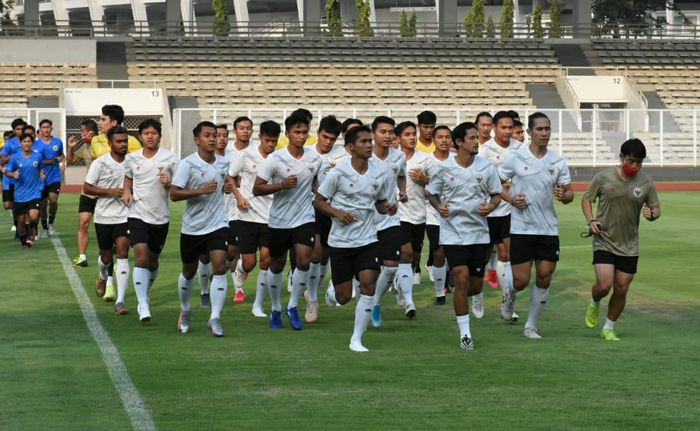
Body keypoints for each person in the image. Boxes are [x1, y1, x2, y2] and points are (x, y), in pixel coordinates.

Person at [314, 125, 393, 352]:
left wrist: (387, 206)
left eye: (370, 141)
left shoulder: (379, 173)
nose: (369, 145)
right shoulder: (338, 173)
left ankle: (356, 339)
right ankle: (333, 293)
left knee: (368, 286)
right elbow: (319, 201)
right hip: (340, 242)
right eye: (364, 142)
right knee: (344, 296)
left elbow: (379, 203)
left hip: (368, 239)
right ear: (350, 147)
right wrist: (338, 214)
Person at [427, 122, 502, 350]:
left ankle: (476, 294)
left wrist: (490, 207)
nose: (476, 141)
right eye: (471, 138)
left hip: (479, 234)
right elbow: (431, 194)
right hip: (453, 234)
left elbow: (497, 195)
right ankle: (465, 334)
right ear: (459, 142)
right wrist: (438, 206)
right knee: (460, 280)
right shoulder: (443, 168)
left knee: (474, 287)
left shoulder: (486, 167)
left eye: (476, 137)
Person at [499, 112, 574, 339]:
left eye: (547, 129)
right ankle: (509, 295)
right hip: (522, 227)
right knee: (521, 281)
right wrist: (511, 199)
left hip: (548, 228)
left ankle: (531, 326)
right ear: (530, 132)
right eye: (539, 129)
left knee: (544, 276)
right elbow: (496, 184)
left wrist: (564, 195)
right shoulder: (515, 157)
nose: (544, 133)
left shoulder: (557, 161)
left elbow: (569, 192)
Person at [582, 138, 660, 341]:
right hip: (604, 239)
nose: (635, 166)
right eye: (631, 161)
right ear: (621, 157)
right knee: (604, 285)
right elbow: (586, 199)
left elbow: (656, 208)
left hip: (629, 245)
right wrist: (591, 220)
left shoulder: (646, 182)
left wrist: (652, 214)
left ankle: (609, 327)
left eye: (639, 162)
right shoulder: (603, 177)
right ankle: (594, 301)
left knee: (622, 288)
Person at [253, 112, 321, 330]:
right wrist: (281, 185)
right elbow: (257, 188)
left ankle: (292, 306)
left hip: (305, 218)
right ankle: (274, 308)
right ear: (288, 133)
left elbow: (317, 186)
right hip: (279, 221)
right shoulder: (275, 159)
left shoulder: (315, 158)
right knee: (276, 264)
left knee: (303, 261)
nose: (301, 136)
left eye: (304, 132)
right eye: (297, 132)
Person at [170, 121, 232, 337]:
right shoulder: (187, 164)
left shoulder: (224, 163)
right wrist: (200, 191)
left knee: (220, 266)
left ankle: (214, 317)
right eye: (208, 135)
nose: (213, 138)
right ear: (197, 139)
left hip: (218, 224)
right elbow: (174, 194)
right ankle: (185, 309)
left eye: (215, 135)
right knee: (188, 271)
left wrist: (227, 187)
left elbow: (225, 184)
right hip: (193, 227)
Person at [121, 119, 179, 322]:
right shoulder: (131, 158)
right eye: (146, 133)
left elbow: (178, 187)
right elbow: (128, 178)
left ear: (159, 136)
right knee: (141, 257)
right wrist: (127, 191)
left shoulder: (170, 158)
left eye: (154, 133)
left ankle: (145, 292)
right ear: (140, 137)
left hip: (160, 217)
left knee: (153, 261)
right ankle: (143, 304)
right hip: (137, 213)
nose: (150, 136)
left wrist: (168, 183)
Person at [71, 105, 141, 268]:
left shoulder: (132, 142)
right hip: (95, 191)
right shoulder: (96, 139)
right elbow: (96, 162)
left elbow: (139, 165)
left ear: (114, 122)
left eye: (103, 119)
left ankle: (114, 268)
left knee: (121, 246)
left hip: (121, 198)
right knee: (84, 223)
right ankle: (84, 256)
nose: (99, 122)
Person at [228, 120, 280, 318]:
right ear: (260, 137)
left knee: (266, 260)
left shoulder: (278, 159)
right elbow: (231, 177)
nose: (271, 145)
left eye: (274, 141)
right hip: (247, 216)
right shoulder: (244, 156)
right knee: (249, 263)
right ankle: (239, 270)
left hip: (270, 218)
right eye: (267, 140)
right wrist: (239, 196)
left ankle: (258, 305)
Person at [478, 111, 522, 321]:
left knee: (507, 253)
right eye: (503, 127)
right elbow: (478, 177)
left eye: (510, 127)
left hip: (510, 209)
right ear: (494, 127)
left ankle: (507, 300)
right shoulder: (485, 150)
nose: (507, 131)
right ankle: (477, 292)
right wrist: (496, 182)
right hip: (488, 209)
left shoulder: (519, 148)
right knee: (485, 255)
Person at [82, 126, 131, 314]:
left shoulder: (133, 163)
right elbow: (87, 188)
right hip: (103, 216)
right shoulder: (100, 164)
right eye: (119, 141)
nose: (123, 144)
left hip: (126, 216)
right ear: (110, 143)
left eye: (125, 141)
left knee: (122, 251)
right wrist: (109, 191)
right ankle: (102, 275)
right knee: (106, 256)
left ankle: (120, 300)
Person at [368, 116, 410, 328]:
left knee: (392, 267)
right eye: (382, 132)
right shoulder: (364, 157)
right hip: (367, 221)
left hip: (391, 219)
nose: (387, 136)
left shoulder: (399, 156)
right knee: (369, 270)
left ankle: (375, 303)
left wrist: (402, 192)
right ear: (373, 134)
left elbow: (401, 176)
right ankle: (364, 301)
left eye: (390, 132)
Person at [304, 115, 343, 322]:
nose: (328, 142)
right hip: (310, 209)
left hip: (332, 210)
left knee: (325, 256)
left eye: (332, 138)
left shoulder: (342, 156)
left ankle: (313, 292)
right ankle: (312, 299)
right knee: (316, 253)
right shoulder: (307, 153)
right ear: (318, 133)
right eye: (325, 137)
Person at [397, 120, 434, 297]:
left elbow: (439, 183)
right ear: (398, 138)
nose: (412, 138)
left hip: (418, 213)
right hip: (397, 214)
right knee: (406, 253)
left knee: (414, 256)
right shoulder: (392, 158)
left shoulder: (425, 159)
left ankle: (400, 280)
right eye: (407, 134)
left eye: (413, 134)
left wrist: (425, 180)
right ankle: (405, 295)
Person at [2, 133, 45, 247]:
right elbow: (9, 172)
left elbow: (41, 168)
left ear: (32, 143)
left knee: (33, 216)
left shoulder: (38, 156)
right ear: (21, 143)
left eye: (29, 141)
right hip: (20, 194)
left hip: (34, 192)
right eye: (24, 142)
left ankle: (31, 232)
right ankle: (23, 238)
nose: (27, 143)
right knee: (20, 220)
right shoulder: (15, 157)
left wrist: (42, 174)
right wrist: (13, 174)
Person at [425, 125, 452, 304]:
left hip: (455, 214)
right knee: (439, 251)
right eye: (440, 137)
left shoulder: (457, 160)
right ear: (434, 140)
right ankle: (439, 293)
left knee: (454, 251)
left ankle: (451, 281)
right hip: (432, 213)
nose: (443, 140)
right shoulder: (426, 161)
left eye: (447, 137)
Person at [66, 119, 98, 267]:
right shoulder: (84, 146)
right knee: (83, 222)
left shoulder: (104, 144)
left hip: (105, 192)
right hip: (88, 191)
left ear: (91, 131)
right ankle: (82, 256)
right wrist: (71, 147)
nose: (81, 134)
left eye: (82, 131)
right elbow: (70, 161)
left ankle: (112, 257)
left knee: (107, 227)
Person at [36, 119, 65, 238]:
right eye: (43, 127)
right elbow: (34, 160)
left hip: (54, 176)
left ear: (51, 128)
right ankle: (45, 228)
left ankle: (51, 224)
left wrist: (63, 163)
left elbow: (61, 156)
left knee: (53, 200)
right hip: (40, 178)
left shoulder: (58, 142)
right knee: (42, 204)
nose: (46, 129)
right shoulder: (36, 144)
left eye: (48, 127)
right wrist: (49, 161)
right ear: (40, 129)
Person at [1, 118, 26, 237]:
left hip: (22, 178)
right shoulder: (10, 143)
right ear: (14, 130)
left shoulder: (28, 141)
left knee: (19, 204)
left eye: (22, 128)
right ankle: (17, 223)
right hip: (8, 177)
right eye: (18, 129)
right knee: (7, 205)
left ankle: (19, 228)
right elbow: (3, 159)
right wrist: (16, 156)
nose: (21, 131)